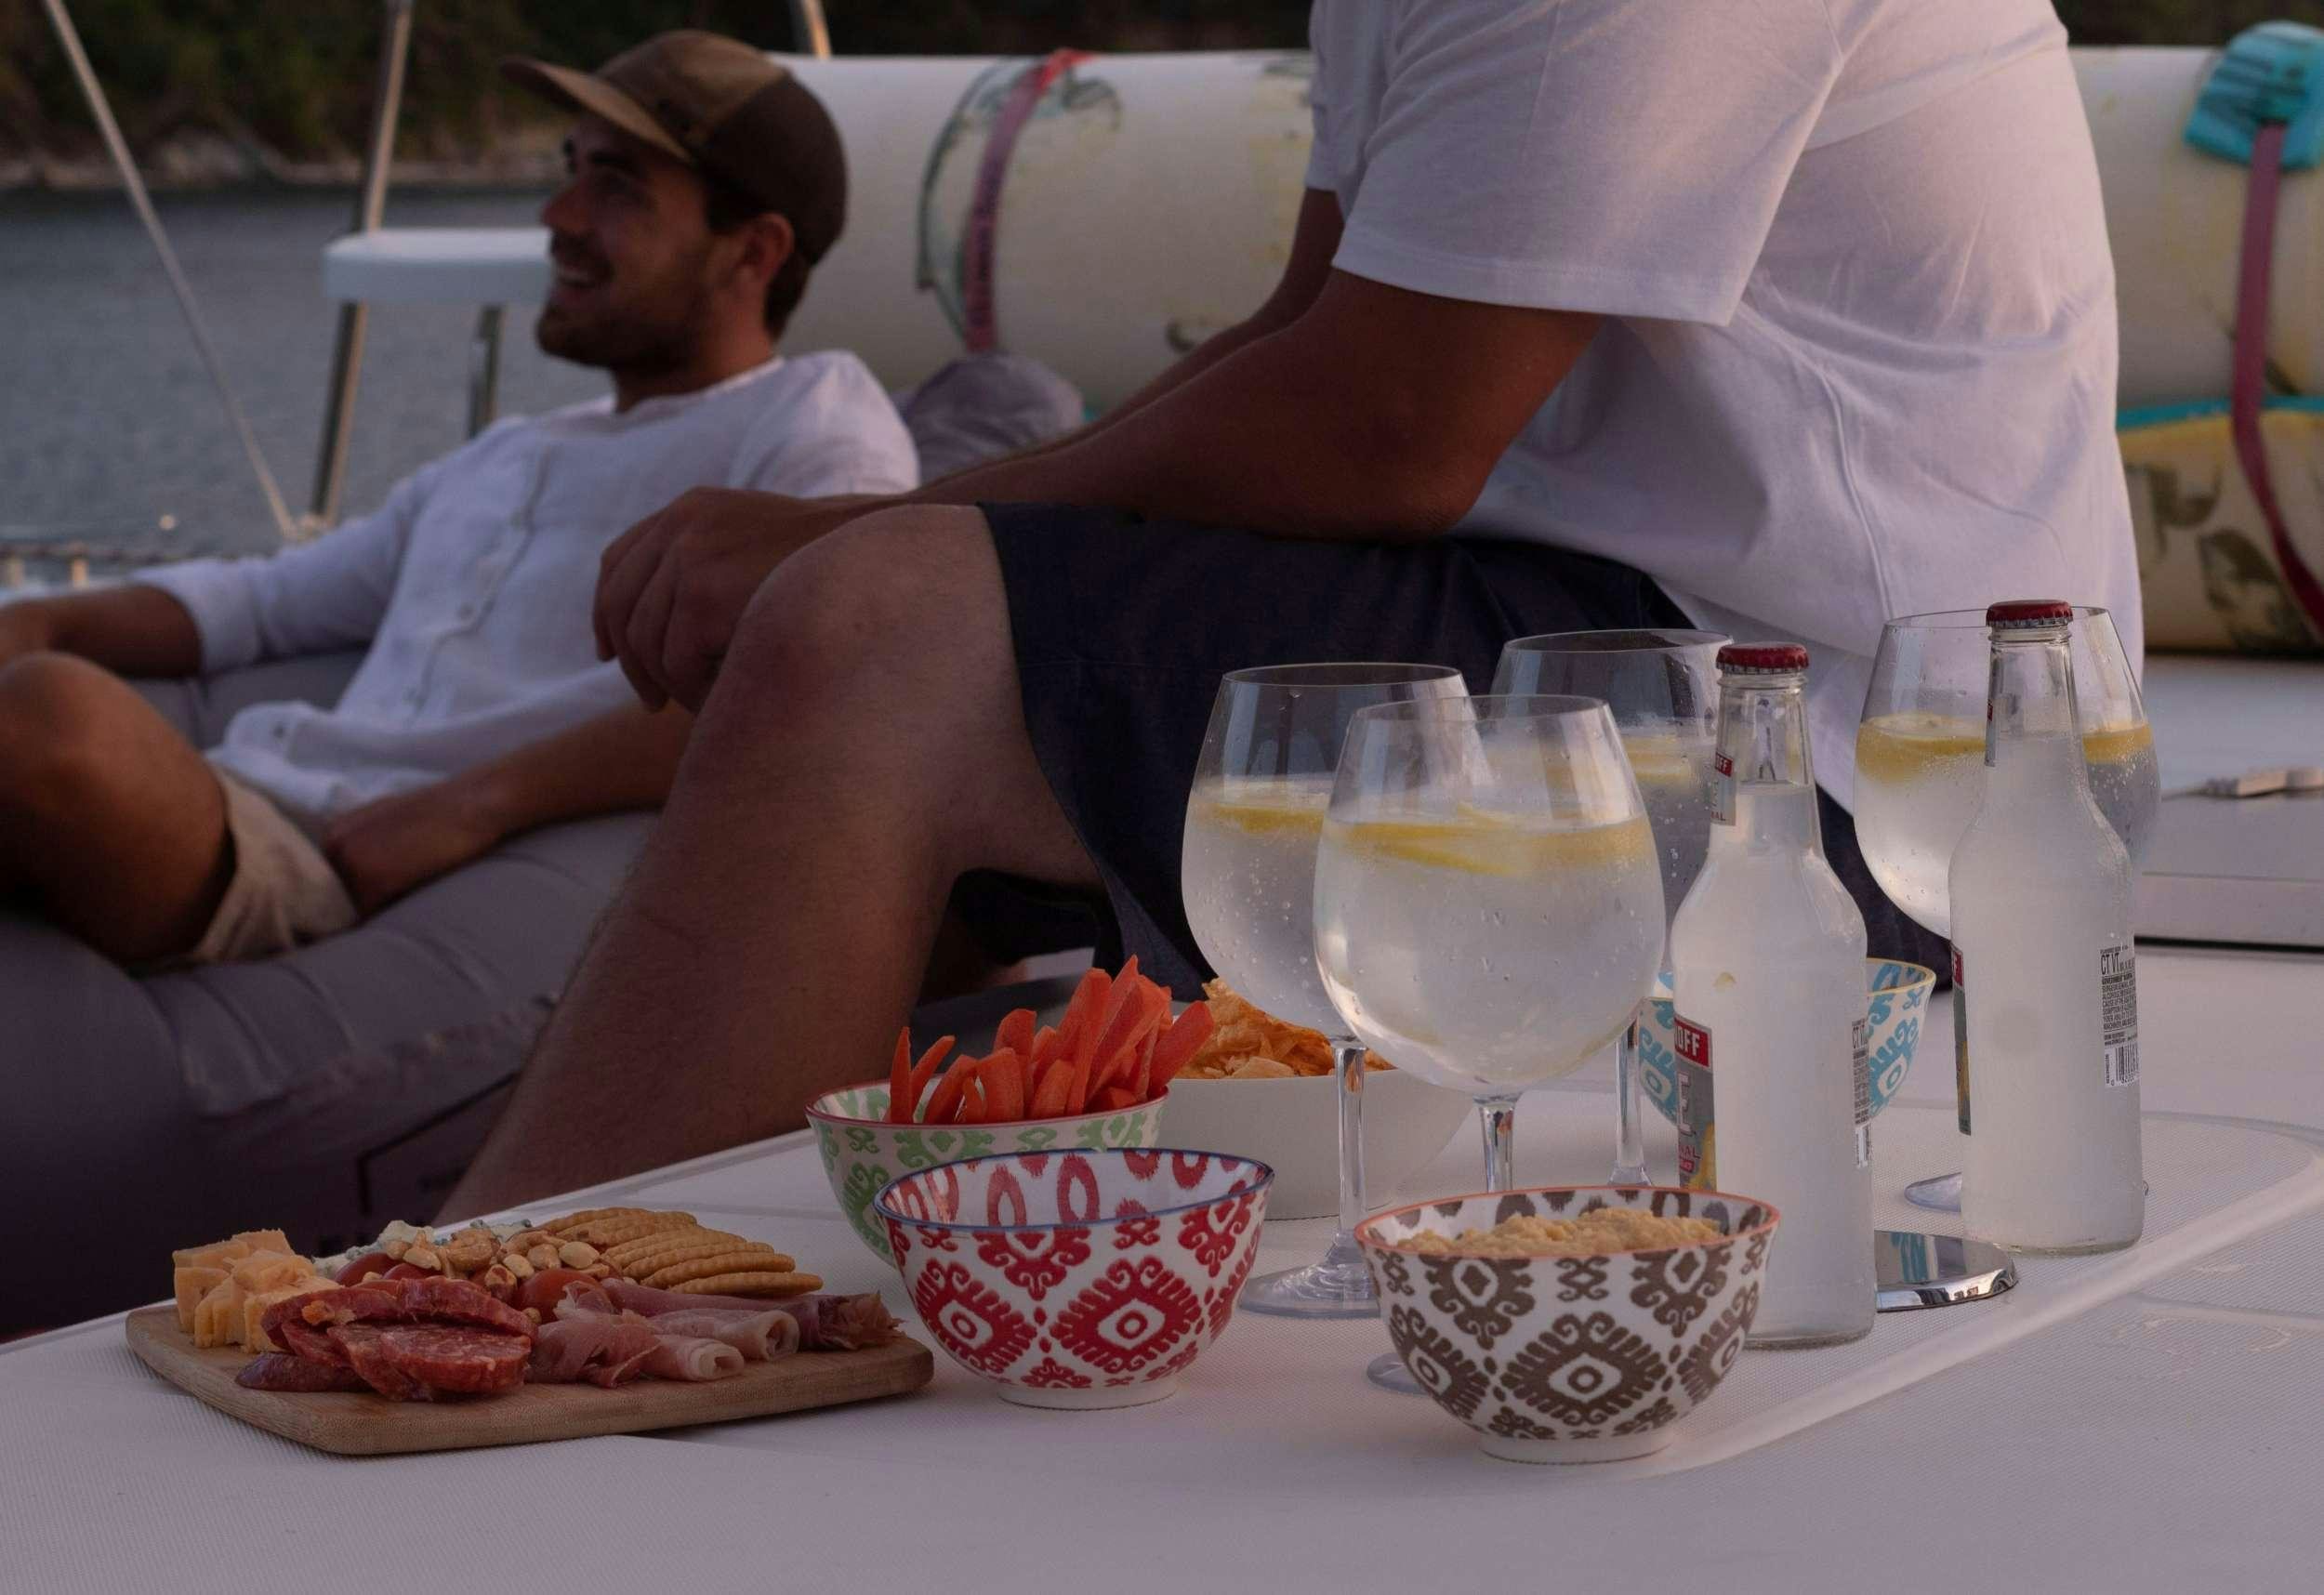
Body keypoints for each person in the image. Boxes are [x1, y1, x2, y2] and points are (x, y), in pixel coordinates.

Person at [444, 0, 2139, 1213]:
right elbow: (1307, 331)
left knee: (884, 639)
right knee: (907, 644)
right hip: (1605, 622)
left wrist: (854, 542)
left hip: (1847, 779)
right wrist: (883, 533)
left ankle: (533, 1318)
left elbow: (1388, 427)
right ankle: (709, 1267)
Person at [0, 32, 913, 969]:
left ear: (753, 251)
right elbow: (264, 602)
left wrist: (476, 804)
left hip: (322, 866)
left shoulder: (811, 421)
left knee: (49, 721)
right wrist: (36, 621)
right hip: (238, 793)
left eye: (617, 188)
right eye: (570, 171)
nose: (558, 217)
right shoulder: (507, 453)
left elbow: (827, 676)